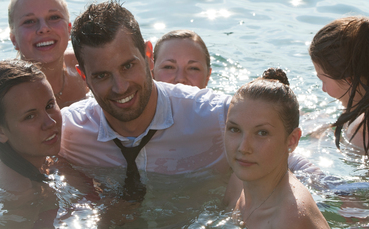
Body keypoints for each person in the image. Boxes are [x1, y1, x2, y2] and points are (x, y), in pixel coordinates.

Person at [60, 0, 231, 197]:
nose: (120, 87)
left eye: (128, 66)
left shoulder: (215, 116)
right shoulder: (67, 132)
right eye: (102, 75)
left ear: (148, 55)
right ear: (84, 77)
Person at [223, 68, 330, 228]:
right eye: (235, 129)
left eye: (262, 133)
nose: (243, 148)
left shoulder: (289, 219)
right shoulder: (240, 180)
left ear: (292, 140)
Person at [0, 59, 62, 227]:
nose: (50, 122)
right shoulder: (21, 197)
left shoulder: (3, 153)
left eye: (50, 105)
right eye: (30, 116)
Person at [0, 0, 88, 110]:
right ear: (14, 39)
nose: (44, 28)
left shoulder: (86, 64)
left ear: (69, 30)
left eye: (54, 17)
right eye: (29, 21)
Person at [309, 16, 369, 154]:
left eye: (323, 81)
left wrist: (316, 142)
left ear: (350, 81)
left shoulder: (361, 133)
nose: (323, 89)